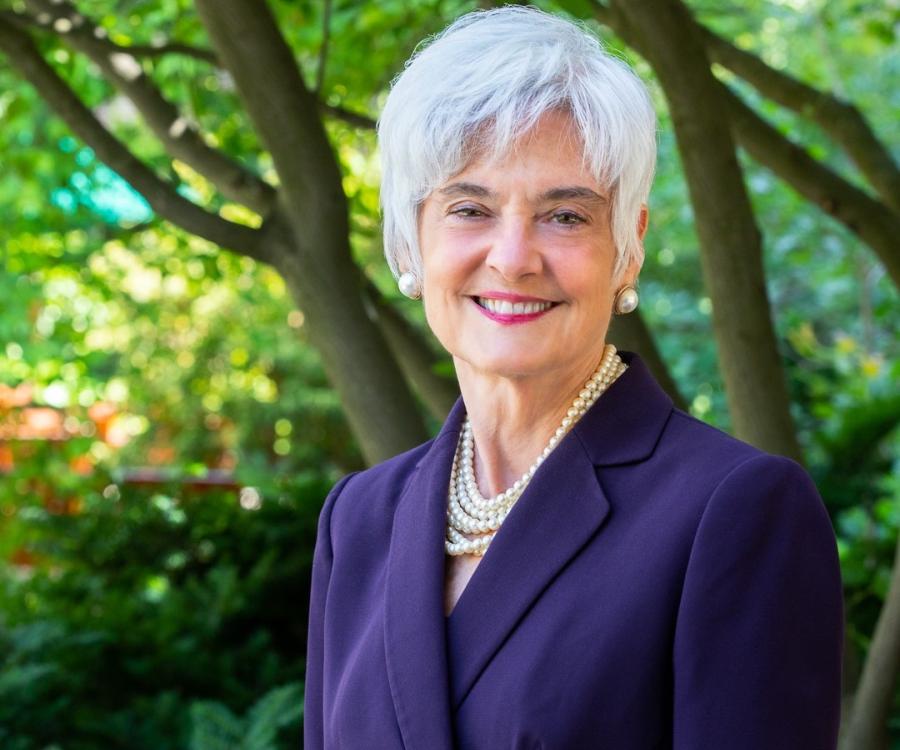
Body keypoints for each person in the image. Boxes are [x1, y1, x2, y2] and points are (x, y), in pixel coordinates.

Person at [303, 7, 843, 749]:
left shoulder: (736, 512)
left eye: (565, 216)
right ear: (409, 238)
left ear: (628, 248)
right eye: (470, 208)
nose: (514, 256)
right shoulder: (358, 519)